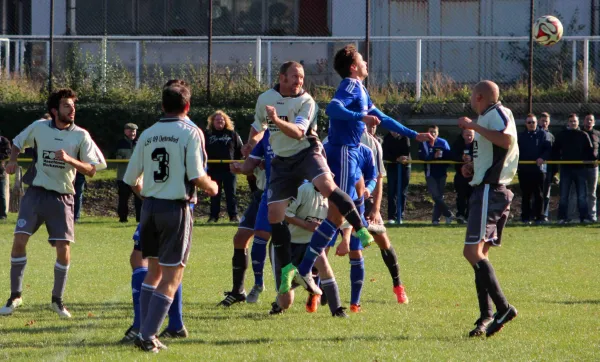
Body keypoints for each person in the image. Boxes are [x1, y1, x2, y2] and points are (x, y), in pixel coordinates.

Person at [293, 45, 433, 292]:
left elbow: (384, 119)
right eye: (362, 60)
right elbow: (333, 108)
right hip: (345, 151)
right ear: (353, 66)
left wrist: (414, 134)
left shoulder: (361, 90)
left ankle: (302, 271)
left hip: (346, 151)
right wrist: (361, 118)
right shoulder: (350, 84)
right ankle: (303, 270)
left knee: (335, 218)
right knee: (336, 217)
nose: (366, 62)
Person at [244, 61, 372, 296]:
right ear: (282, 77)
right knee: (275, 215)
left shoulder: (307, 101)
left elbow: (298, 132)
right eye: (294, 77)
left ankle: (360, 228)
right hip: (282, 162)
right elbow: (258, 124)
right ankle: (288, 270)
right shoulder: (265, 99)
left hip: (307, 152)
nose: (299, 81)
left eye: (301, 77)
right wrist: (251, 144)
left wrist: (276, 119)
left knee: (327, 186)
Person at [123, 83, 218, 353]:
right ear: (187, 106)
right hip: (176, 210)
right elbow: (197, 175)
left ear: (163, 106)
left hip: (149, 208)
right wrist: (213, 187)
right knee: (173, 276)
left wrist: (149, 196)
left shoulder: (149, 133)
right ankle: (148, 335)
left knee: (153, 272)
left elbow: (131, 178)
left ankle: (144, 331)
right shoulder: (191, 132)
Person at [0, 88, 106, 318]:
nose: (72, 110)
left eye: (73, 106)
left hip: (63, 197)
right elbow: (18, 141)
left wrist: (69, 159)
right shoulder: (39, 127)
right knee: (19, 240)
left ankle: (57, 300)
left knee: (63, 249)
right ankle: (15, 296)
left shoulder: (81, 135)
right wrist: (12, 160)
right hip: (36, 194)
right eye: (67, 106)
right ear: (54, 110)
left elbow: (92, 170)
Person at [457, 80, 519, 337]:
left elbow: (506, 140)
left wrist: (473, 126)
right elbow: (494, 151)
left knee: (471, 252)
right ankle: (486, 315)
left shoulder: (496, 114)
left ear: (480, 96)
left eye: (473, 95)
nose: (471, 99)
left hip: (490, 192)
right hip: (488, 189)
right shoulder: (489, 117)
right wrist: (472, 167)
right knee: (479, 254)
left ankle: (503, 308)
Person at [273, 182, 348, 318]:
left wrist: (346, 239)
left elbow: (344, 220)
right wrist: (307, 225)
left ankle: (337, 310)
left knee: (325, 267)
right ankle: (279, 304)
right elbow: (284, 213)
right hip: (287, 245)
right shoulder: (303, 189)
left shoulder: (333, 194)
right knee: (286, 302)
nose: (330, 177)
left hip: (311, 243)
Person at [218, 130, 273, 307]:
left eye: (249, 146)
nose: (245, 149)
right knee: (240, 238)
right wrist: (242, 169)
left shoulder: (276, 144)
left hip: (279, 196)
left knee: (279, 243)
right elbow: (254, 171)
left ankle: (314, 284)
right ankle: (238, 291)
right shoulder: (256, 151)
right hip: (260, 195)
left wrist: (252, 163)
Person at [552, 114, 593, 224]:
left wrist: (589, 161)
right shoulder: (562, 135)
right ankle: (562, 218)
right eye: (571, 121)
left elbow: (589, 151)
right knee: (564, 195)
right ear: (568, 122)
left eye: (575, 121)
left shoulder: (583, 135)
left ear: (578, 122)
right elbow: (555, 150)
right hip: (566, 169)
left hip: (580, 169)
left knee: (582, 195)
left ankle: (584, 218)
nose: (573, 123)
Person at [205, 111, 243, 222]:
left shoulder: (232, 133)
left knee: (231, 194)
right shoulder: (207, 134)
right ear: (213, 122)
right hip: (213, 168)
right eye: (217, 120)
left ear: (225, 121)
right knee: (214, 194)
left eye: (221, 120)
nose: (219, 122)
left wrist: (237, 162)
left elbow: (239, 149)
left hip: (229, 169)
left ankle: (234, 216)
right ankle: (213, 216)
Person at [517, 114, 552, 224]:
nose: (531, 124)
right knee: (526, 194)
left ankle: (539, 217)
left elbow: (548, 149)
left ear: (537, 123)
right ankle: (525, 218)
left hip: (538, 170)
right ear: (525, 124)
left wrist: (542, 157)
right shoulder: (521, 136)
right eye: (529, 122)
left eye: (533, 122)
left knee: (539, 194)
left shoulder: (543, 134)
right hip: (524, 170)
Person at [418, 125, 453, 225]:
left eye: (434, 132)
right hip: (430, 173)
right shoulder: (423, 142)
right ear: (427, 133)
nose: (432, 134)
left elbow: (449, 155)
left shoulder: (443, 142)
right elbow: (422, 156)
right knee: (435, 196)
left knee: (440, 197)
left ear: (438, 133)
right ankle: (449, 214)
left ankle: (435, 220)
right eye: (431, 132)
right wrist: (433, 156)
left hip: (442, 173)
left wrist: (442, 159)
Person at [382, 131, 411, 223]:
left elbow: (406, 153)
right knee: (392, 192)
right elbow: (385, 154)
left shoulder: (405, 137)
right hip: (392, 167)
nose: (394, 132)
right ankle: (391, 217)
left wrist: (402, 158)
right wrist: (396, 159)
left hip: (405, 167)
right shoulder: (387, 138)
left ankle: (400, 215)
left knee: (402, 192)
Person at [116, 123, 142, 223]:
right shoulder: (120, 143)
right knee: (123, 199)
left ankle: (139, 219)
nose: (133, 133)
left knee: (139, 198)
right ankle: (123, 218)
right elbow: (115, 157)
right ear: (125, 131)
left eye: (134, 131)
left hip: (138, 176)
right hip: (123, 175)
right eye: (130, 130)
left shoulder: (140, 142)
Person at [451, 129, 475, 223]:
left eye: (471, 135)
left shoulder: (478, 144)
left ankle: (470, 216)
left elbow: (482, 155)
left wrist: (472, 158)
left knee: (472, 196)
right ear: (462, 135)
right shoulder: (457, 143)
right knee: (461, 196)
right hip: (460, 175)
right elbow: (452, 155)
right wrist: (461, 158)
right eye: (467, 135)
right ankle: (460, 215)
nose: (469, 137)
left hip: (474, 175)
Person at [580, 113, 599, 221]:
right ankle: (579, 216)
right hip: (580, 167)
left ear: (594, 122)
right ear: (584, 121)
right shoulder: (579, 133)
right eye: (587, 119)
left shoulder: (597, 134)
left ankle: (592, 216)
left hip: (593, 167)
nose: (589, 122)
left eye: (591, 120)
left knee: (592, 193)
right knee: (580, 193)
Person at [538, 112, 556, 222]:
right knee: (536, 193)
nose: (544, 123)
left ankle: (544, 214)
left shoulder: (551, 136)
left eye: (546, 121)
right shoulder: (535, 134)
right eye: (542, 121)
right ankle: (534, 214)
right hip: (536, 168)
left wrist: (554, 171)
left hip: (548, 169)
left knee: (546, 193)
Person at [0, 133, 11, 220]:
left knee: (2, 194)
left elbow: (8, 154)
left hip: (0, 172)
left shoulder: (4, 141)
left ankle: (3, 215)